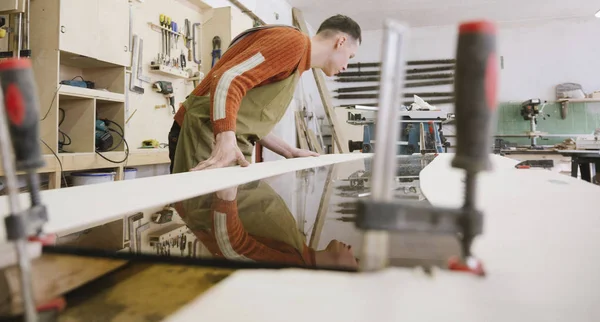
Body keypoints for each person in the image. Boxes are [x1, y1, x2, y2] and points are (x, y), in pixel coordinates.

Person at [168, 14, 362, 174]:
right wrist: (225, 140)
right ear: (341, 41)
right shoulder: (293, 43)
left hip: (221, 139)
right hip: (202, 134)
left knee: (225, 215)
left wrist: (289, 151)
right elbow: (228, 79)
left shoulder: (297, 65)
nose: (346, 66)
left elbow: (247, 119)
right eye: (350, 57)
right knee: (206, 213)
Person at [173, 181, 358, 270]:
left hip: (203, 190)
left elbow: (235, 247)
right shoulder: (300, 249)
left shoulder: (292, 264)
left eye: (355, 260)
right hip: (210, 183)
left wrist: (226, 197)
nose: (350, 248)